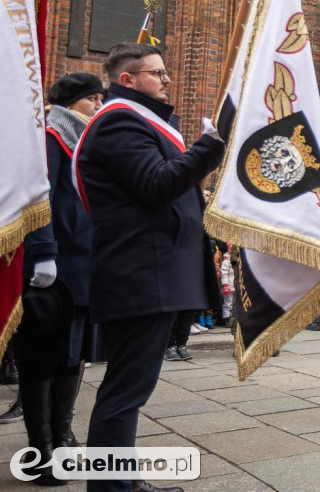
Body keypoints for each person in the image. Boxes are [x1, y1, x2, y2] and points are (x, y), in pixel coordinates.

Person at [75, 43, 224, 492]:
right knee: (125, 392)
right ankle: (112, 487)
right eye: (158, 73)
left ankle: (123, 482)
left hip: (150, 274)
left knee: (129, 389)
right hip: (141, 275)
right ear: (128, 79)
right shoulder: (120, 121)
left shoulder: (137, 121)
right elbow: (156, 185)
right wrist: (209, 147)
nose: (167, 80)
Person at [17, 74, 104, 485]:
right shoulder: (52, 138)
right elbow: (40, 199)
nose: (98, 105)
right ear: (70, 103)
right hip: (57, 265)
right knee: (44, 356)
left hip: (85, 265)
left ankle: (64, 435)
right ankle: (41, 447)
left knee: (74, 353)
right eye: (92, 99)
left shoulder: (86, 140)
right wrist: (44, 252)